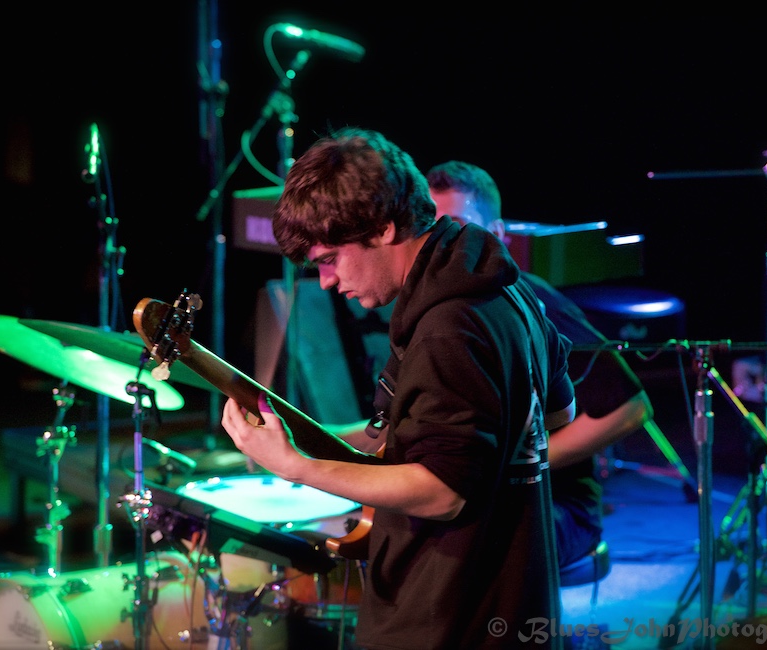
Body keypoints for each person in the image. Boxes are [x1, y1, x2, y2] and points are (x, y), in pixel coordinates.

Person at [220, 128, 577, 649]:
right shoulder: (508, 286)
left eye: (329, 258)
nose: (325, 281)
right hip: (512, 604)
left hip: (447, 619)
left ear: (384, 229)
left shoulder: (446, 327)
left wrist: (296, 467)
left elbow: (442, 492)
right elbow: (558, 413)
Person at [425, 160, 654, 572]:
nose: (442, 240)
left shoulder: (529, 301)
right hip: (489, 497)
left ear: (496, 234)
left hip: (557, 508)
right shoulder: (435, 312)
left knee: (453, 546)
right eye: (432, 225)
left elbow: (630, 407)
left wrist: (519, 468)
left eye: (457, 223)